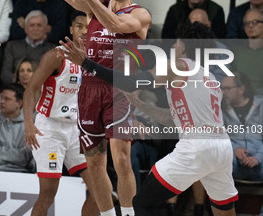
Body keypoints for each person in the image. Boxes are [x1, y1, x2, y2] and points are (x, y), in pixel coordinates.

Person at [61, 21, 238, 216]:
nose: (173, 46)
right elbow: (174, 119)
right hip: (222, 148)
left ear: (185, 47)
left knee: (140, 204)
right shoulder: (210, 77)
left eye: (177, 42)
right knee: (225, 211)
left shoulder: (178, 66)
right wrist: (141, 105)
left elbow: (130, 81)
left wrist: (86, 63)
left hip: (197, 147)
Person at [52, 0, 151, 215]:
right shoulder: (93, 6)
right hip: (89, 88)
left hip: (119, 89)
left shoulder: (140, 15)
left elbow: (116, 25)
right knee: (94, 162)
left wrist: (91, 0)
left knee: (121, 158)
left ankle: (128, 213)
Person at [23, 10, 99, 216]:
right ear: (71, 29)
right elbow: (30, 89)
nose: (84, 31)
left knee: (100, 191)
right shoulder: (56, 55)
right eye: (79, 26)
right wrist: (29, 124)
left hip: (77, 129)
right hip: (50, 128)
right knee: (48, 194)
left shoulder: (95, 60)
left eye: (88, 27)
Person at [222, 72, 263, 181]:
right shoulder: (221, 110)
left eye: (227, 89)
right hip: (234, 163)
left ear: (241, 89)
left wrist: (258, 158)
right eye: (221, 89)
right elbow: (218, 138)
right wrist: (234, 149)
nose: (223, 92)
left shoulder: (261, 106)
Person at [1, 10, 55, 85]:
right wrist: (22, 84)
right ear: (25, 28)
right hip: (15, 90)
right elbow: (5, 74)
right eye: (32, 25)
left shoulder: (53, 50)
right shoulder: (12, 46)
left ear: (46, 29)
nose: (35, 28)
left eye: (39, 25)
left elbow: (53, 76)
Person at [188, 8, 229, 82]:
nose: (195, 29)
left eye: (199, 25)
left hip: (212, 90)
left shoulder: (222, 50)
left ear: (208, 25)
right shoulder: (178, 48)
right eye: (192, 25)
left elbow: (221, 78)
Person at [231, 9, 263, 93]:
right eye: (247, 23)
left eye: (255, 22)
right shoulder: (237, 53)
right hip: (242, 98)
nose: (250, 26)